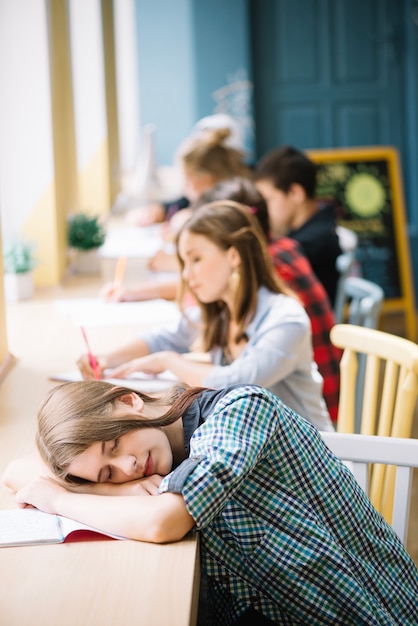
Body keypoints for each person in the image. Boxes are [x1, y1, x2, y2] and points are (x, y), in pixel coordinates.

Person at [4, 381, 417, 625]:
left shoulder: (240, 410)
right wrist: (111, 489)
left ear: (129, 401)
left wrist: (61, 498)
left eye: (114, 444)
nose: (127, 465)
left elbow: (162, 523)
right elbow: (17, 471)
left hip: (370, 611)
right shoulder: (151, 457)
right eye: (108, 471)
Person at [80, 201, 333, 432]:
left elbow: (240, 384)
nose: (187, 275)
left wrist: (169, 361)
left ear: (234, 256)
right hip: (262, 448)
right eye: (184, 263)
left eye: (196, 259)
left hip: (313, 461)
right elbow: (165, 338)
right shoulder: (221, 309)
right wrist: (107, 358)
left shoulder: (285, 319)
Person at [193, 178, 341, 422]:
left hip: (314, 417)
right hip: (292, 407)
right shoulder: (280, 250)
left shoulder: (268, 276)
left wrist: (169, 361)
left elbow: (239, 380)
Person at [101, 126, 252, 301]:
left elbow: (209, 280)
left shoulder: (226, 215)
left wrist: (137, 292)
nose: (184, 188)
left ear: (208, 180)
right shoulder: (220, 201)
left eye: (188, 181)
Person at [254, 145, 342, 306]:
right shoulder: (321, 224)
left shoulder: (308, 244)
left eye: (268, 200)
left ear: (295, 193)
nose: (263, 209)